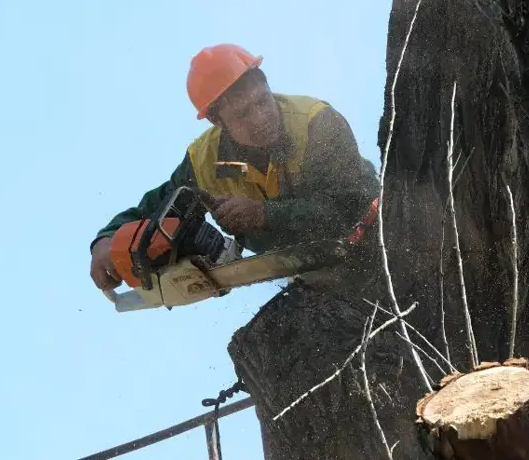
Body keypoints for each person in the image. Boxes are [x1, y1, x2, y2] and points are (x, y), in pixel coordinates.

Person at [89, 43, 380, 292]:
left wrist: (264, 214)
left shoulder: (317, 124)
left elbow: (352, 206)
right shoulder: (204, 162)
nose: (261, 117)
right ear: (217, 121)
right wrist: (106, 241)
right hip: (314, 273)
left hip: (378, 241)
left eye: (262, 101)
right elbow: (154, 209)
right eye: (243, 113)